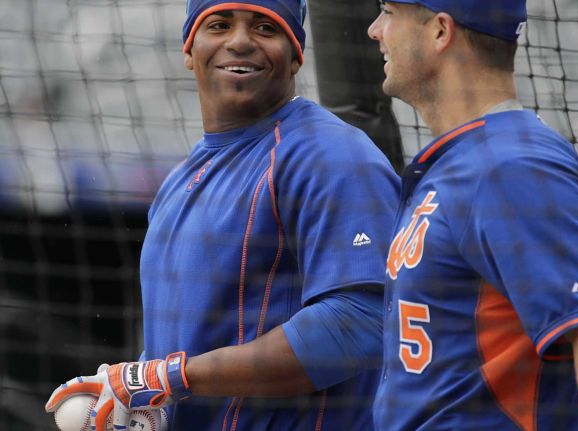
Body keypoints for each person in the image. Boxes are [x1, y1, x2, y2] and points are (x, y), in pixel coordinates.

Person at [45, 1, 400, 430]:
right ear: (189, 49)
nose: (240, 41)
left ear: (295, 57)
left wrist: (173, 377)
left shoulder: (331, 155)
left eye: (266, 28)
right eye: (219, 24)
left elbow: (361, 322)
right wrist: (136, 394)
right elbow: (180, 354)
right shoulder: (180, 180)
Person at [367, 1, 578, 430]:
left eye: (390, 12)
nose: (376, 30)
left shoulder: (511, 165)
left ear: (440, 32)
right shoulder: (470, 159)